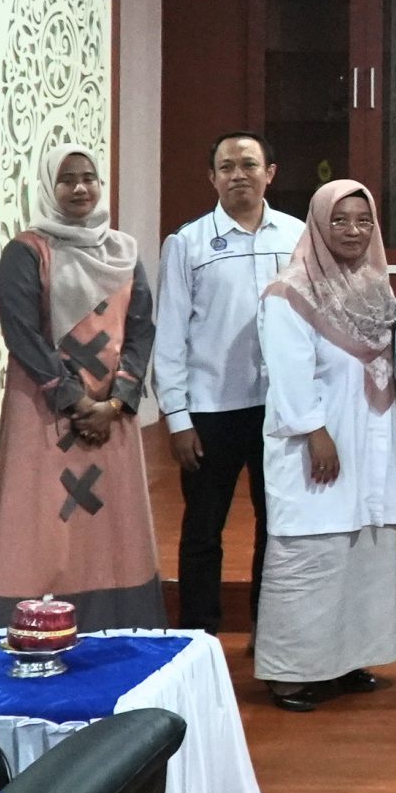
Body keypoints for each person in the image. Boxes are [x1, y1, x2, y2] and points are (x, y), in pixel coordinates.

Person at [0, 144, 164, 631]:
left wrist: (116, 400)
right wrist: (75, 400)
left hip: (111, 415)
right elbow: (22, 333)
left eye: (88, 177)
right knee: (41, 521)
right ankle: (32, 626)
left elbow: (141, 329)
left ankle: (118, 627)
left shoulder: (124, 251)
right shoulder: (26, 252)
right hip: (44, 411)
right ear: (48, 187)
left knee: (112, 527)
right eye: (66, 180)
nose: (80, 188)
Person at [254, 179, 396, 711]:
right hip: (317, 444)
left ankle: (345, 660)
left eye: (363, 221)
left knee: (363, 551)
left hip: (372, 440)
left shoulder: (375, 289)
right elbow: (288, 372)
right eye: (339, 220)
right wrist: (315, 432)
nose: (352, 231)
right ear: (318, 225)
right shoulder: (290, 291)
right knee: (311, 553)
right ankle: (290, 673)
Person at [152, 132, 304, 634]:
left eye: (249, 164)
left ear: (270, 173)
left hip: (278, 407)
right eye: (227, 166)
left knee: (277, 525)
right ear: (212, 177)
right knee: (203, 527)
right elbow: (170, 334)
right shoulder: (187, 243)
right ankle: (199, 633)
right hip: (210, 409)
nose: (238, 174)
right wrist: (177, 418)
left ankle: (271, 632)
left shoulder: (299, 236)